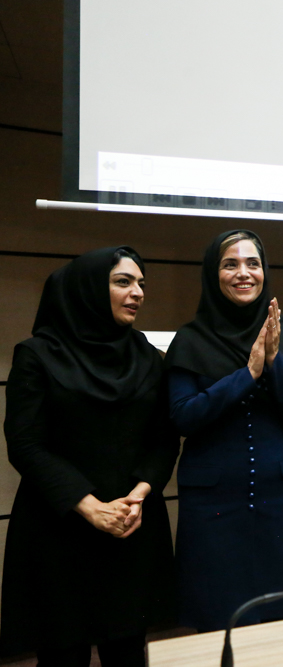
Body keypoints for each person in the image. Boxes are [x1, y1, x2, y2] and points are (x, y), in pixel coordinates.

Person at [1, 247, 178, 666]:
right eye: (123, 282)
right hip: (59, 527)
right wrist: (91, 507)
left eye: (141, 284)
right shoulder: (37, 354)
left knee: (128, 653)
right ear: (88, 289)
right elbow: (25, 444)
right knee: (63, 655)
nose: (138, 292)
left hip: (130, 525)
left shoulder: (148, 355)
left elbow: (165, 438)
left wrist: (140, 494)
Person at [165, 230, 283, 631]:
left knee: (279, 620)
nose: (244, 273)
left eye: (253, 263)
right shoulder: (190, 339)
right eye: (230, 264)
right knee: (218, 618)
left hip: (280, 498)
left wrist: (274, 362)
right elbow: (184, 416)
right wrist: (248, 374)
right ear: (212, 274)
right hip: (214, 503)